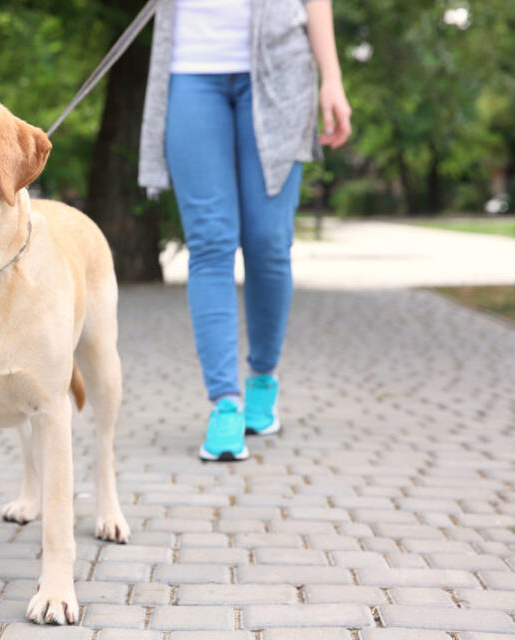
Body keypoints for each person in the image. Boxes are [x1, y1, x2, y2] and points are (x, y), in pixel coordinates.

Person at [139, 0, 351, 461]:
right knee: (211, 243)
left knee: (268, 243)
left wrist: (331, 77)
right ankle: (225, 403)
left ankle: (262, 377)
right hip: (190, 70)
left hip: (281, 69)